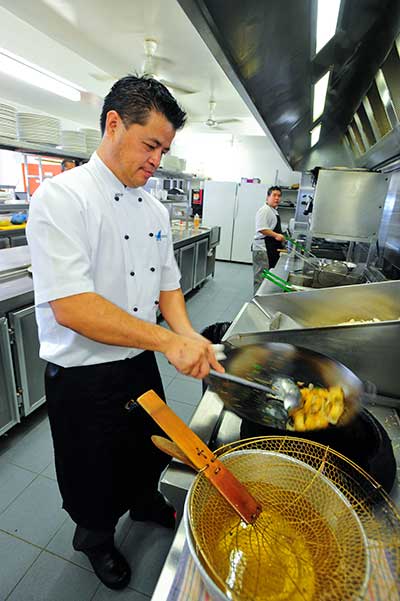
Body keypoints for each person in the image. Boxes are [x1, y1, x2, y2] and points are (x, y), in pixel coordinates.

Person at [26, 75, 224, 591]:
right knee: (91, 469)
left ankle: (144, 501)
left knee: (145, 446)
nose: (157, 159)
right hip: (83, 373)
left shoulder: (154, 208)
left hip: (136, 361)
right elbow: (72, 307)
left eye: (165, 148)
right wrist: (167, 341)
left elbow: (168, 287)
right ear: (114, 124)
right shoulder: (62, 199)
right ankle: (94, 538)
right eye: (150, 144)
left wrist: (189, 336)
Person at [252, 186, 285, 294]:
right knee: (261, 278)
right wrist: (276, 235)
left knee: (267, 278)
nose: (277, 198)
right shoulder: (265, 210)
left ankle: (263, 298)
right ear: (268, 197)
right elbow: (261, 229)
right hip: (262, 249)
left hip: (269, 248)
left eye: (279, 196)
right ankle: (257, 302)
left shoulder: (274, 211)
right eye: (274, 195)